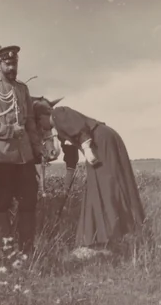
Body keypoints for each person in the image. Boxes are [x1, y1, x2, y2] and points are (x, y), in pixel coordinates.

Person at [42, 101, 145, 259]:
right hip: (102, 140)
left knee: (106, 186)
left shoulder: (58, 113)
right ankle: (103, 235)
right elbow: (71, 150)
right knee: (99, 186)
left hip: (99, 142)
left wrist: (88, 150)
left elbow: (81, 130)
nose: (43, 128)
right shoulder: (58, 124)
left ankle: (109, 235)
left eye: (39, 123)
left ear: (42, 116)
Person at [0, 44, 47, 254]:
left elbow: (30, 121)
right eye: (7, 63)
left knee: (29, 200)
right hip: (1, 155)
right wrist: (8, 131)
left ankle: (27, 249)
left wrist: (36, 147)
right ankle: (7, 249)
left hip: (24, 156)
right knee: (2, 201)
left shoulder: (22, 88)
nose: (12, 66)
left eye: (14, 62)